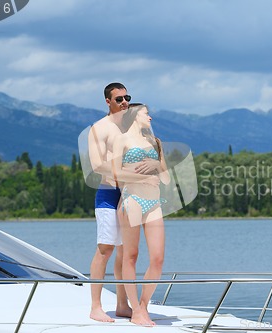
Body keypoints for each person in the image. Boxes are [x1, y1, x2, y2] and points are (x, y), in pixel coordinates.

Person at [87, 84, 160, 322]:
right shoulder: (99, 128)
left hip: (135, 194)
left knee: (125, 253)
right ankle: (96, 306)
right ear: (107, 101)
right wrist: (131, 172)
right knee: (105, 248)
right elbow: (98, 165)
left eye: (127, 97)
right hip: (110, 193)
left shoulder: (135, 126)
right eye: (119, 99)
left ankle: (122, 304)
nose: (124, 102)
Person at [112, 104, 170, 326]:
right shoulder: (121, 140)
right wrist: (140, 178)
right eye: (146, 113)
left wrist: (157, 164)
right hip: (132, 201)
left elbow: (165, 179)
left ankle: (144, 305)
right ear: (135, 116)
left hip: (154, 203)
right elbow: (116, 175)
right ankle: (135, 309)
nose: (150, 117)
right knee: (131, 256)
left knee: (158, 258)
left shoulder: (156, 143)